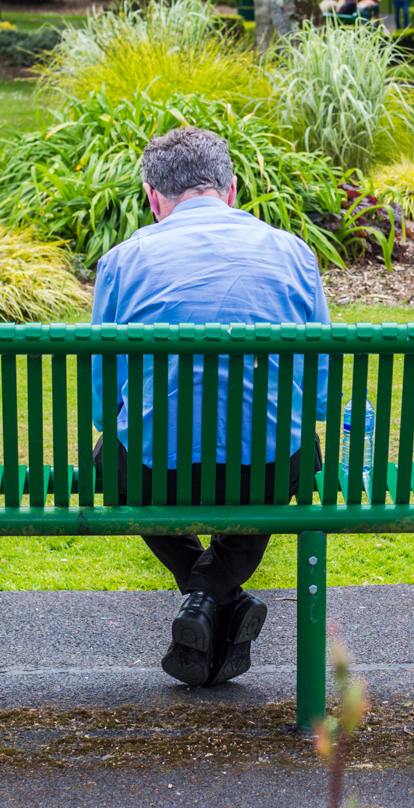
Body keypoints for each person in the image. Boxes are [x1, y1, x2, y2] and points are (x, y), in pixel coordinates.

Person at [90, 126, 331, 688]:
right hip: (266, 476)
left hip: (154, 477)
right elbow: (319, 393)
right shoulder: (292, 254)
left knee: (112, 457)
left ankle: (202, 596)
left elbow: (105, 396)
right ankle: (218, 593)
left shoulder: (124, 260)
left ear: (152, 197)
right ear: (232, 189)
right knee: (286, 450)